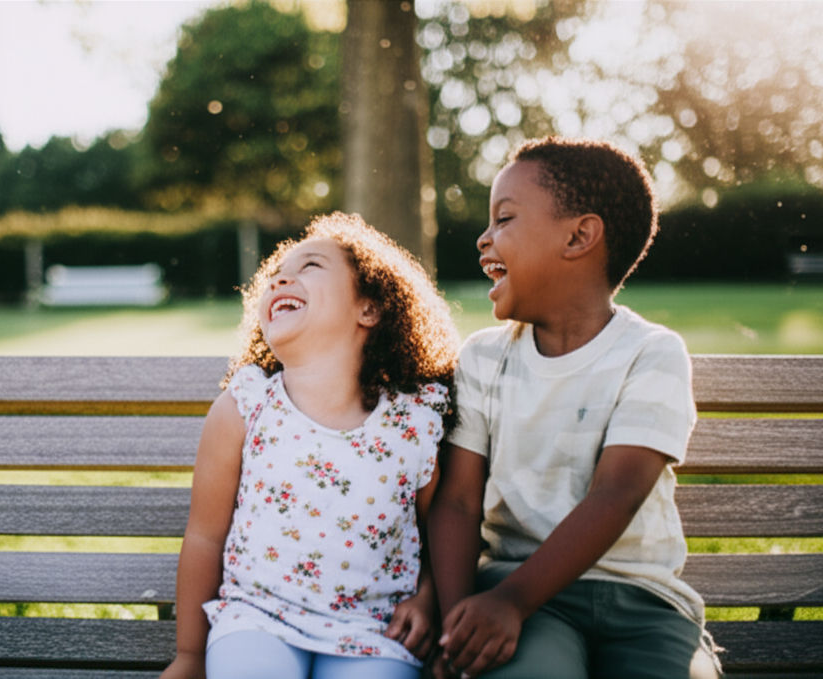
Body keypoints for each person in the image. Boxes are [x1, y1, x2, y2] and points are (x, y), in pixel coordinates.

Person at [428, 137, 722, 679]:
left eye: (505, 218)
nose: (483, 237)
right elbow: (459, 503)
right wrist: (461, 624)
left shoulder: (650, 354)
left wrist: (512, 600)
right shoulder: (484, 360)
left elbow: (617, 493)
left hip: (644, 605)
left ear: (580, 236)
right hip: (518, 594)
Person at [160, 212, 461, 679]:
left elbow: (433, 537)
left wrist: (427, 600)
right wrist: (191, 656)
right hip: (256, 620)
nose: (282, 276)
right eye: (277, 271)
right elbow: (205, 536)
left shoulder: (412, 425)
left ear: (370, 308)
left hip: (373, 630)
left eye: (311, 266)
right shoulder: (246, 407)